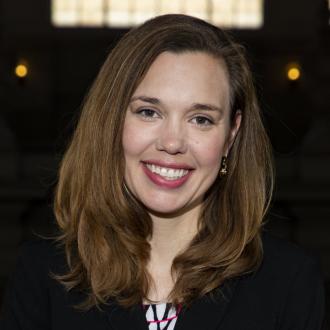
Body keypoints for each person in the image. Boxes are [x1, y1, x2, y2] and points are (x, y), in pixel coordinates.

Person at [0, 14, 327, 330]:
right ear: (112, 122)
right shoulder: (42, 275)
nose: (172, 143)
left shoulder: (290, 283)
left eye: (201, 119)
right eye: (148, 112)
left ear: (230, 134)